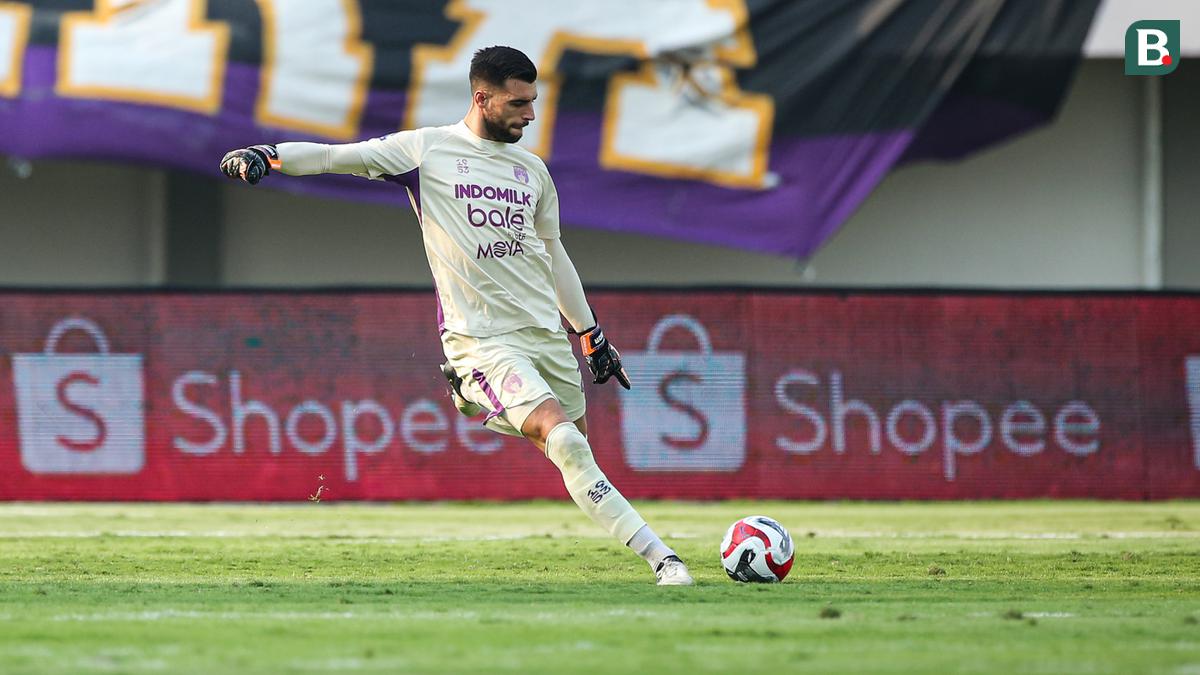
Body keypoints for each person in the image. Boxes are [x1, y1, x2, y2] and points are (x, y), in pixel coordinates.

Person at [219, 45, 693, 586]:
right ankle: (665, 560)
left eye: (534, 102)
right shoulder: (427, 151)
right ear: (482, 97)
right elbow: (336, 157)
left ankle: (474, 399)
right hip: (481, 337)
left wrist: (590, 334)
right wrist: (268, 154)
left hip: (544, 335)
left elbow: (554, 256)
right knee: (562, 439)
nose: (530, 115)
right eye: (519, 103)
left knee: (575, 450)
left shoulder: (533, 172)